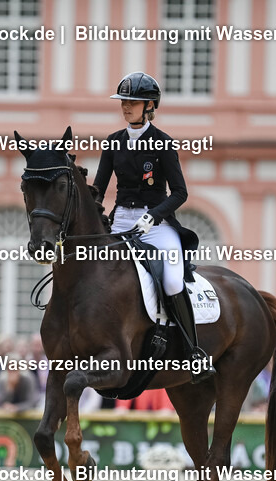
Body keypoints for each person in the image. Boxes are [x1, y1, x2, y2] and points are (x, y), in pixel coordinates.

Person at [92, 71, 215, 383]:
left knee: (172, 281)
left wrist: (154, 216)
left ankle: (193, 352)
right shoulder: (113, 142)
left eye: (132, 102)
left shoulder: (163, 143)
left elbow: (180, 193)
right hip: (121, 220)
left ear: (149, 105)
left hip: (156, 224)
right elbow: (98, 189)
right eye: (123, 101)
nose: (125, 107)